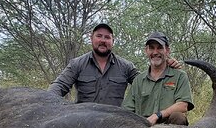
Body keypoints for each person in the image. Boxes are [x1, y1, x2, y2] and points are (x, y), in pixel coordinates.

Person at [48, 23, 180, 107]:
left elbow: (146, 84)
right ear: (91, 38)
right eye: (99, 36)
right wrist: (47, 103)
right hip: (82, 121)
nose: (103, 40)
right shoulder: (77, 64)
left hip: (114, 124)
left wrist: (164, 64)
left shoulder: (126, 66)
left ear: (112, 41)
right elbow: (59, 86)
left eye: (107, 37)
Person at [122, 31, 194, 126]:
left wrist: (158, 115)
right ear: (146, 51)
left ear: (167, 50)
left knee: (178, 117)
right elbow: (127, 110)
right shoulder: (139, 80)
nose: (155, 52)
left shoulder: (179, 76)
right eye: (151, 48)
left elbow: (183, 105)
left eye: (160, 48)